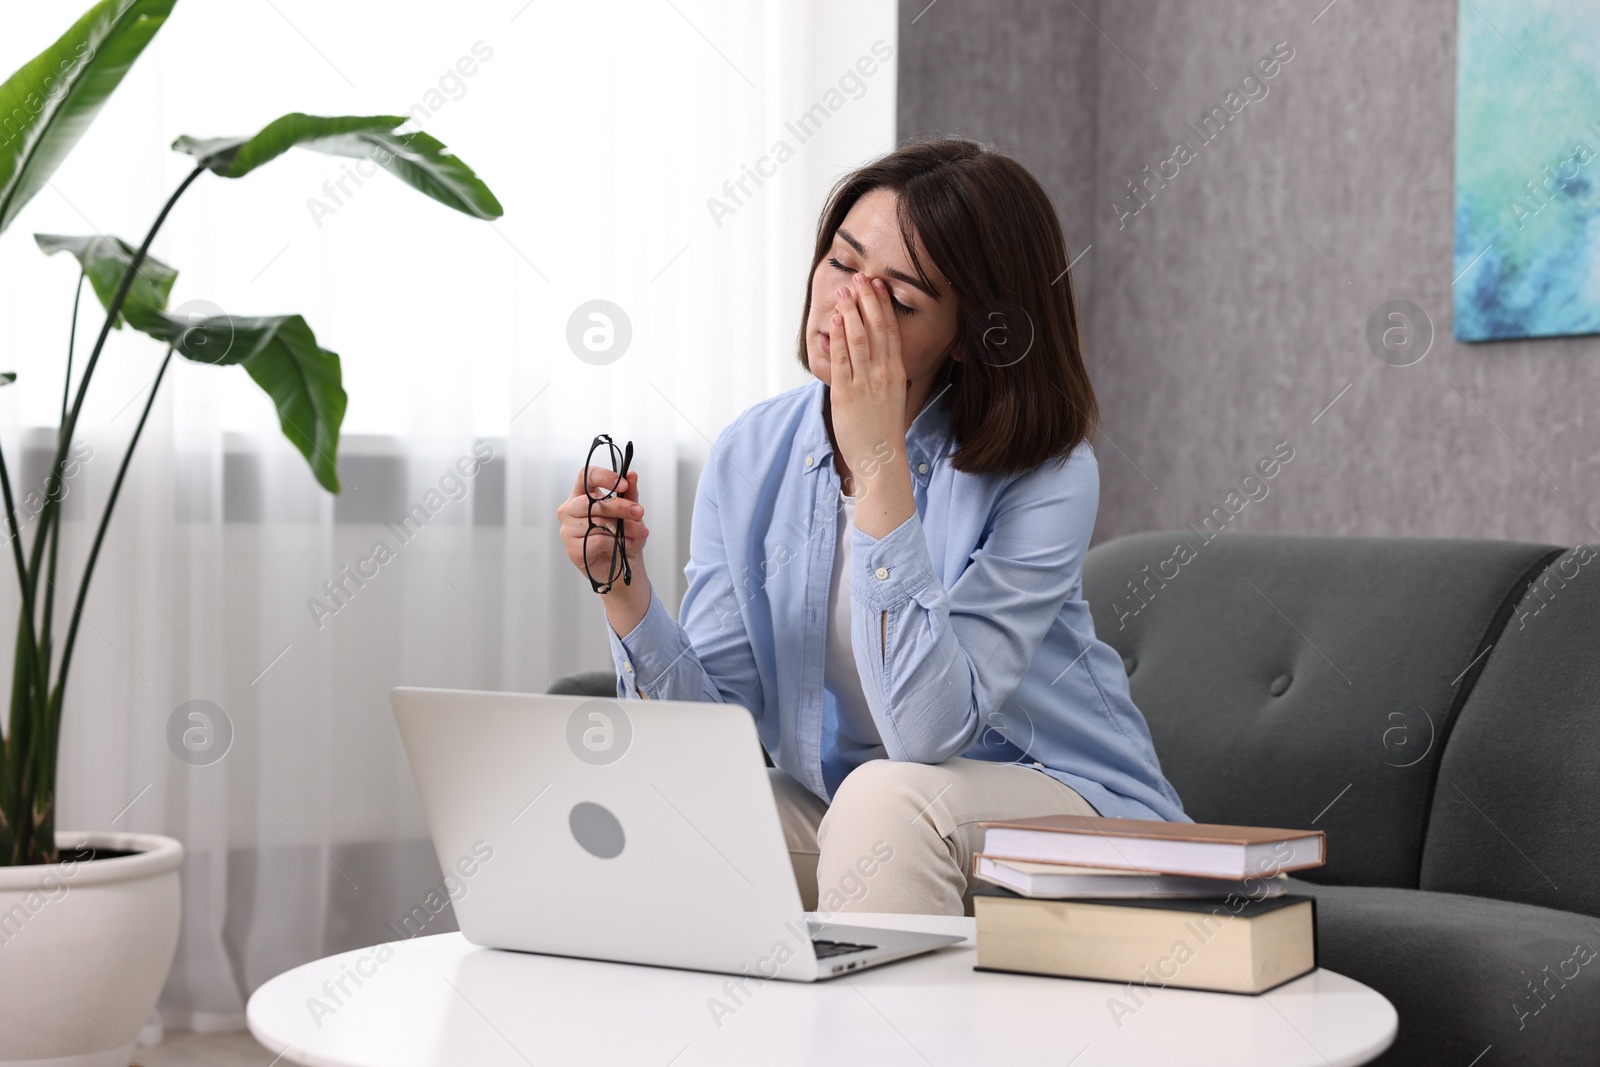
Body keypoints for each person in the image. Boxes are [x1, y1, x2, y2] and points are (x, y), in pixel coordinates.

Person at [556, 135, 1188, 917]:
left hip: (1064, 806)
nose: (847, 302)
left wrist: (879, 464)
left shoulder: (1047, 471)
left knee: (888, 802)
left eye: (899, 298)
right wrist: (625, 593)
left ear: (967, 334)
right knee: (652, 808)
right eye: (842, 262)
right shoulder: (751, 453)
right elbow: (707, 739)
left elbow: (929, 732)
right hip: (856, 809)